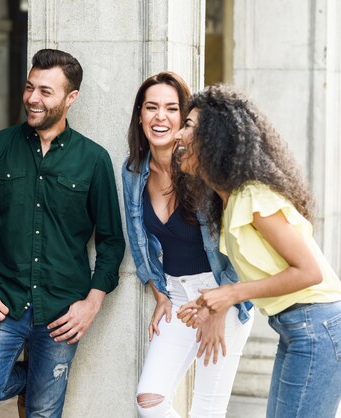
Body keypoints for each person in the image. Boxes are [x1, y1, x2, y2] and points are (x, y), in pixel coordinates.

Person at [0, 48, 125, 417]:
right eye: (30, 87)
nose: (32, 98)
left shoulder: (93, 160)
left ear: (70, 98)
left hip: (62, 311)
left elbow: (111, 242)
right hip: (2, 300)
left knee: (44, 412)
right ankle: (44, 377)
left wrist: (90, 305)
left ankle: (47, 381)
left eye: (46, 91)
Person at [175, 84, 341, 418]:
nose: (179, 134)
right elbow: (261, 272)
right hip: (295, 328)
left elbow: (310, 272)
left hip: (317, 326)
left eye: (189, 125)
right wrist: (214, 303)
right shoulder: (229, 199)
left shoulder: (254, 196)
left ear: (214, 136)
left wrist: (231, 293)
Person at [121, 72, 254, 418]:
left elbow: (240, 246)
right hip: (178, 299)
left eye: (171, 108)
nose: (160, 117)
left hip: (221, 293)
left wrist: (219, 306)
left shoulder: (206, 171)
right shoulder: (133, 172)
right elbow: (137, 236)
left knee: (206, 409)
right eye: (151, 107)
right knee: (148, 401)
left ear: (184, 120)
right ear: (140, 115)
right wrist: (158, 290)